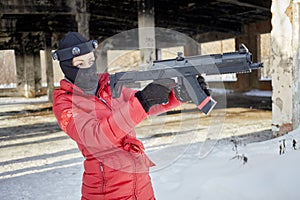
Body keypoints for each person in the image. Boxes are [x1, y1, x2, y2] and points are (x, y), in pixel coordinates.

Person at [52, 32, 210, 200]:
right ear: (66, 67)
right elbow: (95, 136)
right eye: (80, 64)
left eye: (91, 61)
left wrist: (179, 96)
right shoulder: (65, 103)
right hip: (107, 192)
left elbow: (145, 105)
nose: (88, 68)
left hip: (140, 186)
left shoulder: (107, 87)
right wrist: (142, 101)